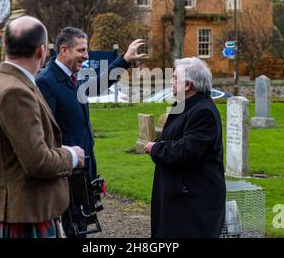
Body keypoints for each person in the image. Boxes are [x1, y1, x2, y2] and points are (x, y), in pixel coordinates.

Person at [0, 16, 85, 238]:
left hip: (6, 213)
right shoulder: (15, 92)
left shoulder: (0, 84)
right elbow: (38, 161)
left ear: (5, 47)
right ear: (41, 51)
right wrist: (72, 155)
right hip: (18, 216)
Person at [36, 27, 145, 237]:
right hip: (66, 173)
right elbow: (45, 133)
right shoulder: (46, 81)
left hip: (84, 170)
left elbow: (99, 85)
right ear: (64, 50)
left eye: (86, 50)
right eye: (81, 50)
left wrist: (125, 59)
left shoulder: (74, 76)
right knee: (73, 230)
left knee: (82, 228)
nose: (86, 56)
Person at [145, 57, 226, 238]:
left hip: (193, 203)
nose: (171, 82)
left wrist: (155, 149)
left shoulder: (203, 111)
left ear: (188, 85)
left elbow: (186, 151)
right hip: (180, 197)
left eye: (175, 78)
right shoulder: (184, 106)